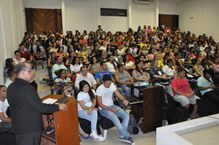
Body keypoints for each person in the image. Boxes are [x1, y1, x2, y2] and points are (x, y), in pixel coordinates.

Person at [7, 62, 67, 145]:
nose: (33, 72)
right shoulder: (27, 88)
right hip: (30, 129)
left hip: (19, 127)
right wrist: (57, 107)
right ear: (21, 73)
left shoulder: (11, 87)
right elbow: (40, 107)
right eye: (30, 70)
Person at [96, 74, 135, 145]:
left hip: (112, 106)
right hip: (104, 109)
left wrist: (124, 100)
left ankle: (122, 135)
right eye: (107, 84)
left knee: (126, 115)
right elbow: (100, 104)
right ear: (103, 82)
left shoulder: (112, 85)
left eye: (109, 83)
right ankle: (127, 136)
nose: (108, 85)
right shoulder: (99, 89)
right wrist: (110, 109)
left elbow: (119, 95)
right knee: (115, 118)